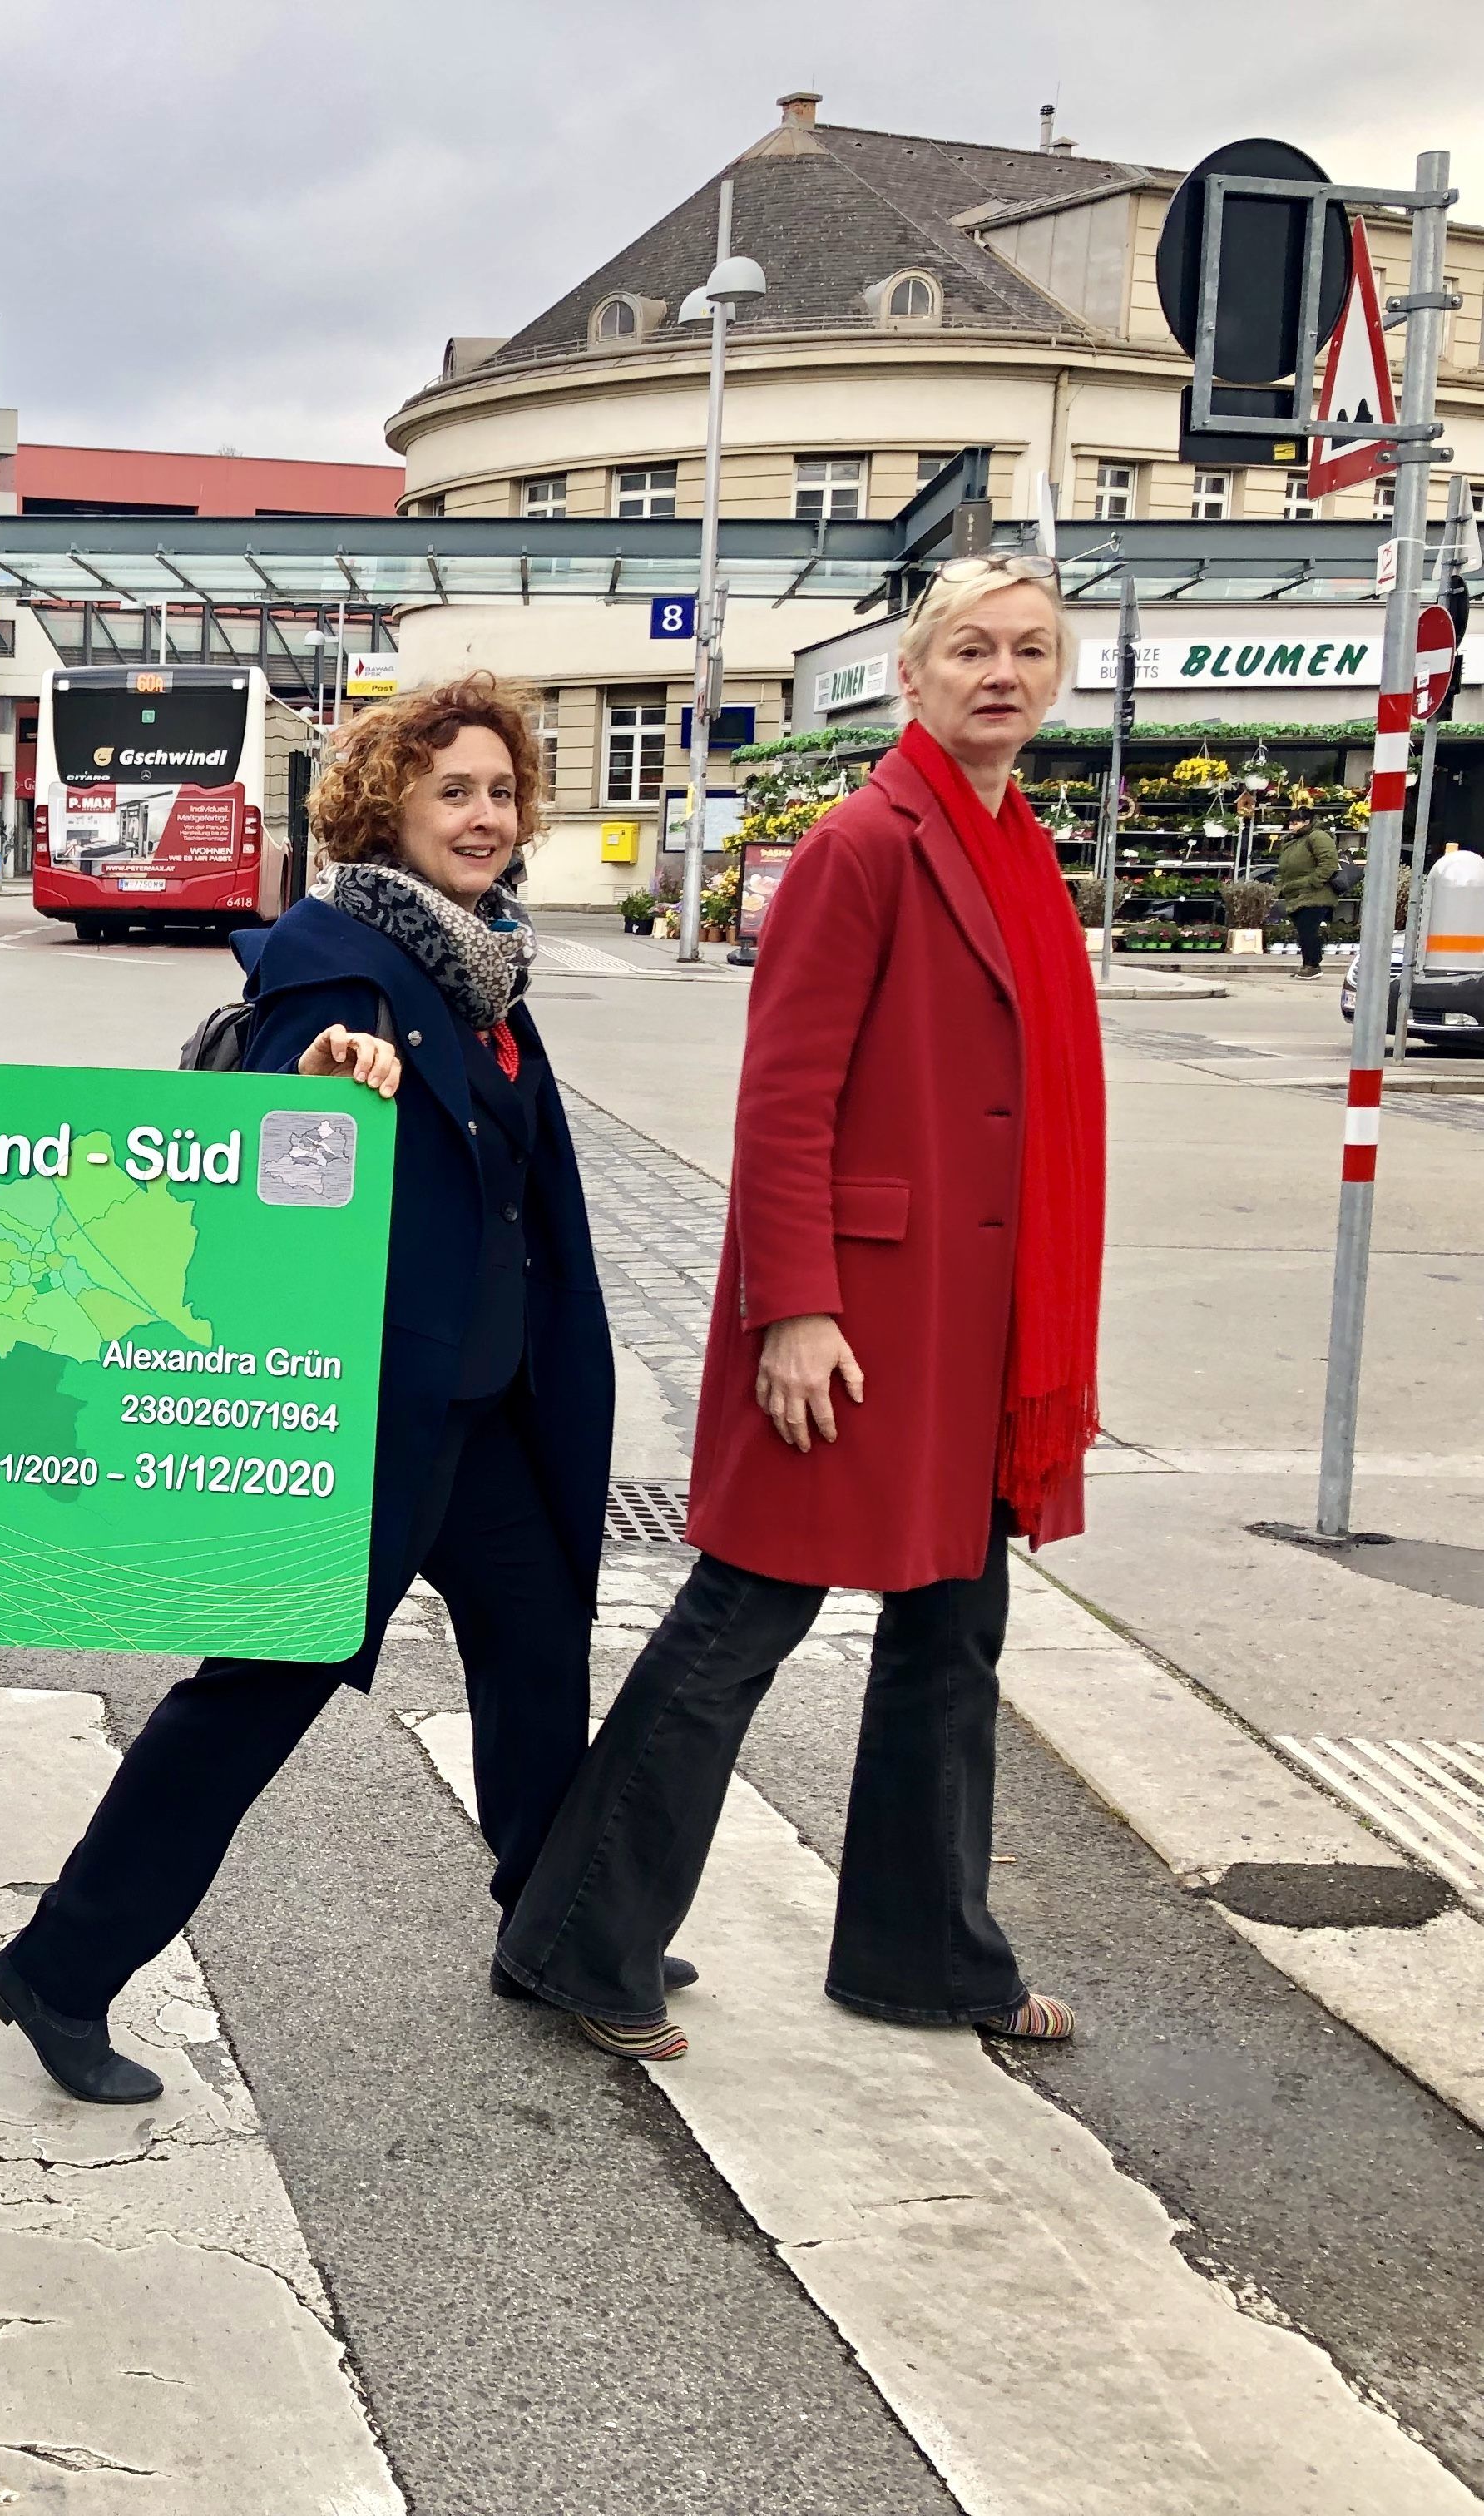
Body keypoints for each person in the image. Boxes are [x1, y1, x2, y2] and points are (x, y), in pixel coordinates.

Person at [0, 674, 647, 2104]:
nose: (484, 815)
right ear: (382, 806)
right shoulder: (337, 962)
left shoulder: (483, 964)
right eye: (450, 789)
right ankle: (60, 1963)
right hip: (370, 1416)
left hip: (478, 1405)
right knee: (257, 1693)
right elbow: (281, 1109)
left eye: (499, 790)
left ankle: (555, 1922)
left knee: (536, 1655)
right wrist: (331, 1073)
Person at [498, 550, 1100, 2060]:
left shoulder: (1015, 843)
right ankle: (579, 1938)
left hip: (971, 1326)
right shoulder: (866, 841)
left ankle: (922, 1951)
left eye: (1030, 649)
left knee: (951, 1637)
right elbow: (784, 1098)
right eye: (971, 646)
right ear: (911, 673)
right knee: (741, 1617)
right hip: (854, 1319)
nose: (1002, 673)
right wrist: (794, 1306)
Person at [1274, 817, 1341, 976]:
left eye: (1294, 822)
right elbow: (1283, 868)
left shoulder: (1317, 836)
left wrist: (1315, 881)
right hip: (1297, 891)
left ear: (1306, 822)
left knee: (1308, 929)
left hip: (1315, 893)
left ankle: (1312, 965)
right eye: (1290, 823)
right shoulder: (1292, 842)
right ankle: (1308, 964)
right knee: (1304, 930)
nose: (1291, 826)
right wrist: (1281, 884)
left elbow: (1329, 861)